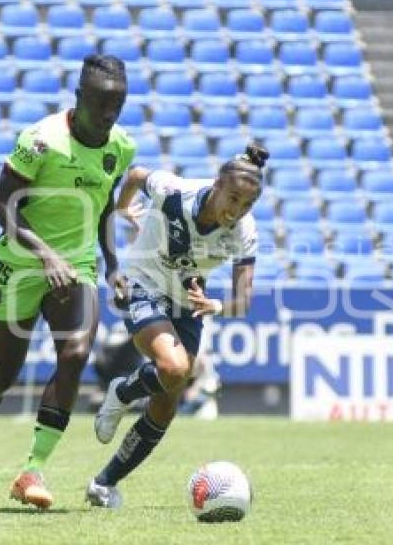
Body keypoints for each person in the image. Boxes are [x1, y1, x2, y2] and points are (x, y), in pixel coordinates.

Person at [0, 54, 136, 510]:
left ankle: (32, 470)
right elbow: (0, 205)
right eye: (100, 102)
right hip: (21, 264)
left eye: (117, 103)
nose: (109, 113)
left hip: (77, 266)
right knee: (4, 375)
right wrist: (43, 252)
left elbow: (103, 204)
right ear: (78, 98)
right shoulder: (40, 141)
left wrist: (113, 264)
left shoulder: (122, 147)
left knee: (75, 354)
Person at [85, 143, 269, 508]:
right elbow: (136, 174)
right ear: (217, 184)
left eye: (247, 205)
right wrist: (123, 208)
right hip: (141, 283)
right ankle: (122, 392)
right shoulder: (175, 191)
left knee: (167, 401)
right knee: (174, 368)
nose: (237, 211)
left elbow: (242, 302)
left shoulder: (244, 231)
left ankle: (104, 483)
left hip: (188, 300)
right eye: (233, 198)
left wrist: (214, 305)